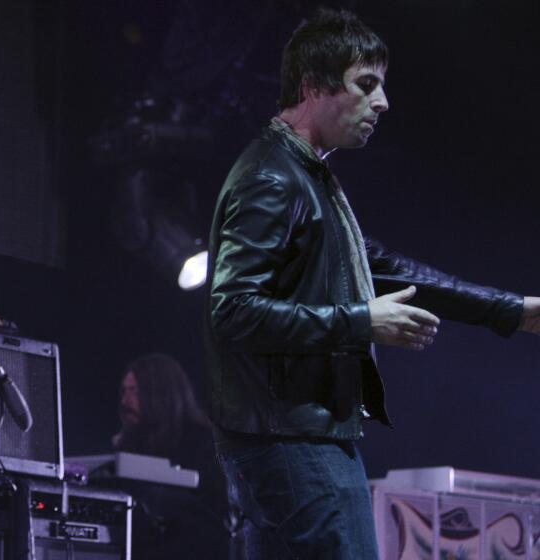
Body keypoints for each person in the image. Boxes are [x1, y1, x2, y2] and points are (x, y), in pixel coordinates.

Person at [205, 8, 540, 559]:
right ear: (313, 86)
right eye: (366, 85)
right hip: (291, 440)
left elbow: (385, 268)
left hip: (295, 437)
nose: (382, 102)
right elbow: (235, 310)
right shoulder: (272, 175)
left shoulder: (304, 174)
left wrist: (511, 310)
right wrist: (361, 321)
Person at [112, 353, 231, 560]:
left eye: (135, 391)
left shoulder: (204, 442)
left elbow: (215, 519)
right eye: (123, 392)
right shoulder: (130, 446)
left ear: (161, 394)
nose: (125, 401)